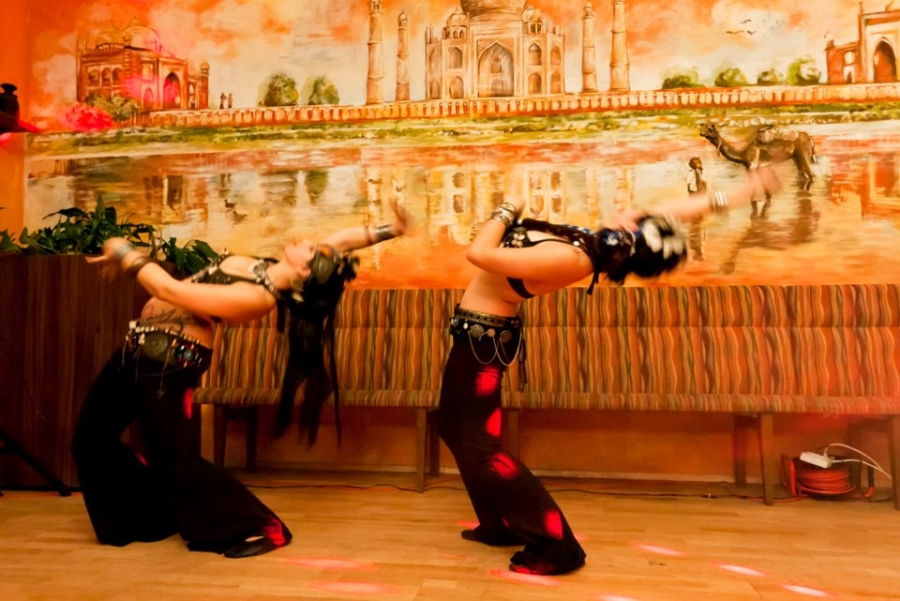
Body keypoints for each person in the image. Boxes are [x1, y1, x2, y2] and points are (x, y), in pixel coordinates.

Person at [439, 170, 776, 576]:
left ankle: (558, 545)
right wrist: (742, 192)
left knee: (482, 448)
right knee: (453, 429)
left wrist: (507, 209)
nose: (627, 216)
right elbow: (671, 210)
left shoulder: (572, 258)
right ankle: (499, 522)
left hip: (483, 347)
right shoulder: (599, 241)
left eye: (633, 223)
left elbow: (478, 253)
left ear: (628, 246)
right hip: (474, 337)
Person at [71, 207, 407, 558]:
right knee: (91, 439)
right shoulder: (265, 267)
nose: (309, 240)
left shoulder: (257, 297)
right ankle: (147, 518)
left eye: (312, 248)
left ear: (305, 271)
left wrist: (124, 251)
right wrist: (393, 229)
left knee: (174, 460)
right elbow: (343, 240)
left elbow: (166, 289)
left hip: (170, 363)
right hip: (135, 351)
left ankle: (261, 526)